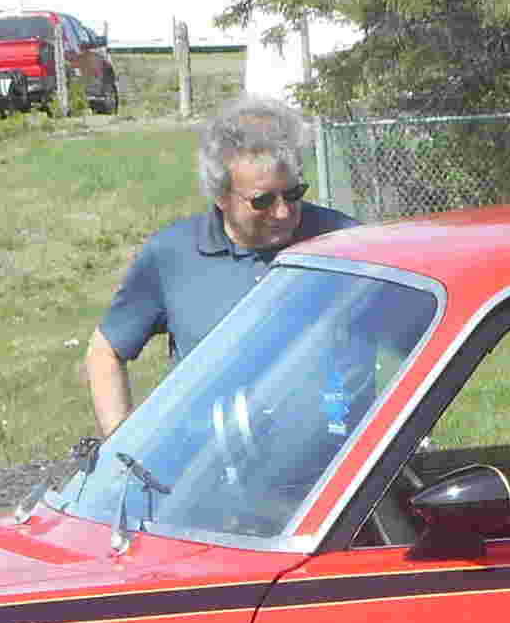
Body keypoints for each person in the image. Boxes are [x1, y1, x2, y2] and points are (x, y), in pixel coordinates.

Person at [79, 94, 358, 436]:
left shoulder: (347, 243)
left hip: (340, 471)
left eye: (294, 193)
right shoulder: (172, 256)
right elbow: (105, 352)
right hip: (213, 476)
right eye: (263, 201)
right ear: (220, 196)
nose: (283, 212)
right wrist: (119, 449)